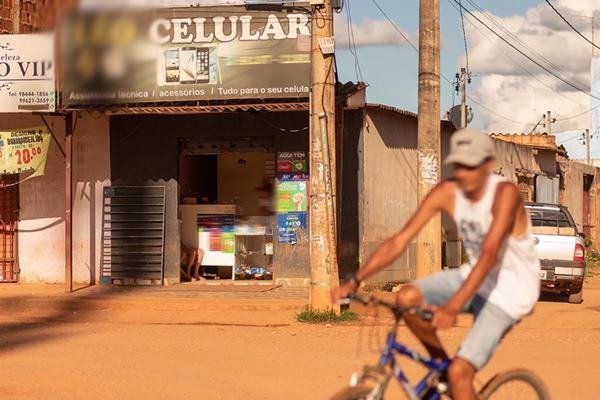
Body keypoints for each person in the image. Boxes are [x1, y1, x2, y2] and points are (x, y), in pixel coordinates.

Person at [332, 128, 540, 400]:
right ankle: (444, 367)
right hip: (473, 277)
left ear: (488, 164)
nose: (463, 173)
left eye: (471, 165)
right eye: (458, 166)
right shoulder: (447, 192)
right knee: (406, 297)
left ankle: (455, 376)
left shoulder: (505, 194)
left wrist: (452, 308)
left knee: (460, 375)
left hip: (511, 293)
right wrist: (355, 280)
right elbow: (400, 240)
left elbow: (489, 254)